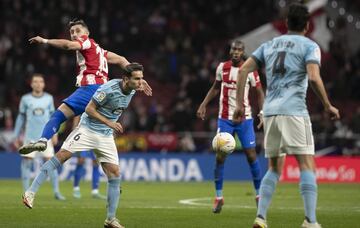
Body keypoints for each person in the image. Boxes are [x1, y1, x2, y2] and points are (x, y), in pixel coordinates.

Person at [233, 3, 340, 228]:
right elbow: (313, 77)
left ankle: (260, 217)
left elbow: (243, 70)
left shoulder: (269, 44)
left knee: (274, 168)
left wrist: (240, 105)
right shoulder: (310, 46)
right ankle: (310, 221)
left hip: (271, 113)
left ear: (287, 23)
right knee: (307, 166)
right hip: (294, 112)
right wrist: (328, 105)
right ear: (307, 25)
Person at [22, 63, 149, 228]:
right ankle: (30, 192)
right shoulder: (108, 89)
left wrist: (143, 83)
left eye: (141, 79)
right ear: (126, 79)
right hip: (87, 130)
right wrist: (109, 123)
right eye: (137, 79)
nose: (140, 82)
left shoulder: (132, 87)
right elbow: (89, 109)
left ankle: (110, 219)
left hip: (105, 136)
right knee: (62, 156)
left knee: (115, 174)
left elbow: (137, 82)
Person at [19, 19, 152, 155]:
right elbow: (122, 60)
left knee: (58, 116)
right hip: (105, 94)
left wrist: (45, 41)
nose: (75, 34)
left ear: (87, 33)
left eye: (78, 31)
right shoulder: (100, 51)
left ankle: (43, 140)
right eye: (72, 32)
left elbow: (68, 46)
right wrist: (140, 79)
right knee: (92, 130)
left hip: (91, 89)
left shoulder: (87, 43)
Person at [197, 39, 264, 213]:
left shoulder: (250, 69)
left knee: (251, 155)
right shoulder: (222, 67)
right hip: (225, 119)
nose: (236, 52)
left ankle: (259, 195)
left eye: (239, 50)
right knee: (220, 156)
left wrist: (262, 113)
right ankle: (219, 197)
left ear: (243, 52)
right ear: (230, 51)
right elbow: (215, 88)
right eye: (234, 49)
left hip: (245, 119)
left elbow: (259, 92)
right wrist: (203, 104)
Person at [13, 73, 65, 201]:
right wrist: (15, 136)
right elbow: (21, 118)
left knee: (51, 163)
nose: (38, 84)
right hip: (30, 136)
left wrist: (55, 133)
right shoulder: (25, 99)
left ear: (44, 84)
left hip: (45, 137)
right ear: (31, 84)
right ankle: (26, 191)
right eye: (35, 81)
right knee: (26, 163)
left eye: (40, 81)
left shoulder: (48, 98)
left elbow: (54, 118)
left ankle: (57, 192)